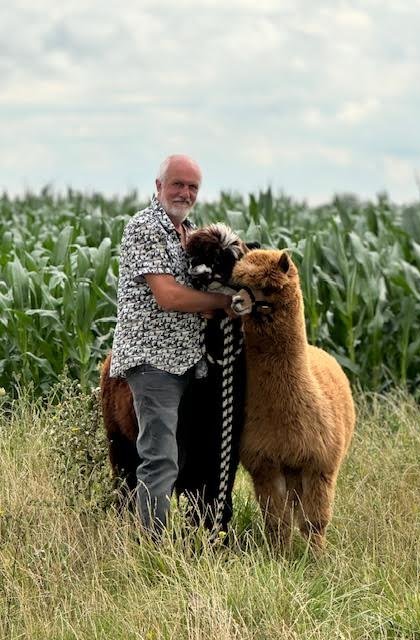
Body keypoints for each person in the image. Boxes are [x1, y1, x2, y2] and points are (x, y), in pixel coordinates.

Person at [109, 154, 235, 536]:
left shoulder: (190, 233)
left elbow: (194, 295)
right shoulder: (146, 227)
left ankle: (201, 531)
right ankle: (154, 546)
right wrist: (224, 303)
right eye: (177, 184)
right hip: (153, 361)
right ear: (158, 186)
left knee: (192, 454)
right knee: (160, 456)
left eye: (192, 187)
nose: (185, 193)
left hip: (189, 361)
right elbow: (168, 296)